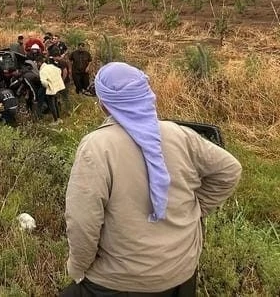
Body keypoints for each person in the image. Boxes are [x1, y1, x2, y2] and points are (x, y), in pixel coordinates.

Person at [62, 62, 242, 297]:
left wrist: (77, 268)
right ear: (147, 96)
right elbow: (230, 170)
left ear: (104, 105)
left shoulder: (97, 146)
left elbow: (83, 222)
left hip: (122, 281)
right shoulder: (179, 133)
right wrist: (195, 211)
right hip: (182, 273)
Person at [39, 58, 64, 122]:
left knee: (52, 105)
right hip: (57, 87)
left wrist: (47, 86)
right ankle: (59, 118)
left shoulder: (42, 71)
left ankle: (56, 120)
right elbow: (59, 70)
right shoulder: (51, 66)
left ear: (39, 62)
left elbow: (43, 82)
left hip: (51, 89)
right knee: (55, 103)